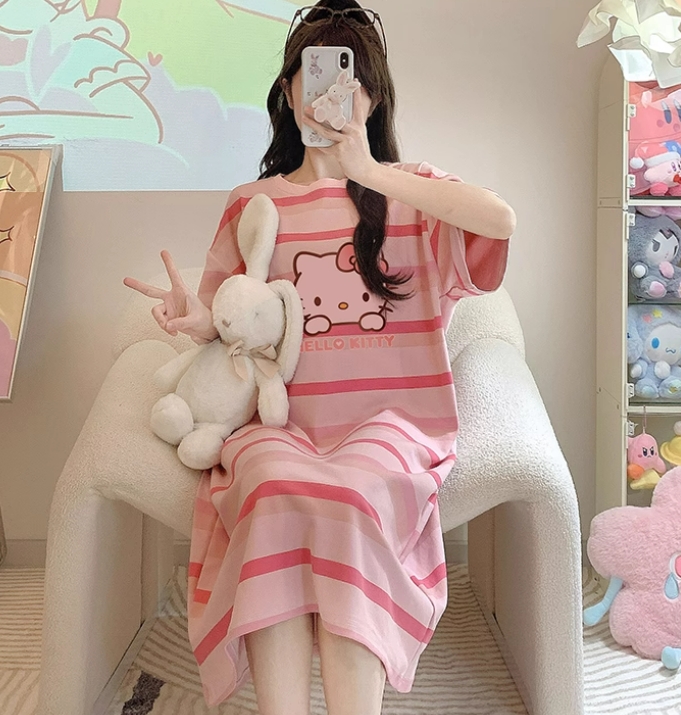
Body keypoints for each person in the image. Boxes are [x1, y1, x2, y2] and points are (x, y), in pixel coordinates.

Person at [123, 1, 515, 713]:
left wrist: (369, 170)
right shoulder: (254, 204)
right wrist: (198, 320)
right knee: (271, 487)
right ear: (288, 91)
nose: (331, 94)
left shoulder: (416, 195)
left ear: (373, 96)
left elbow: (501, 219)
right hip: (281, 424)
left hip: (391, 423)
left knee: (352, 496)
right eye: (316, 75)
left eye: (349, 79)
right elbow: (234, 322)